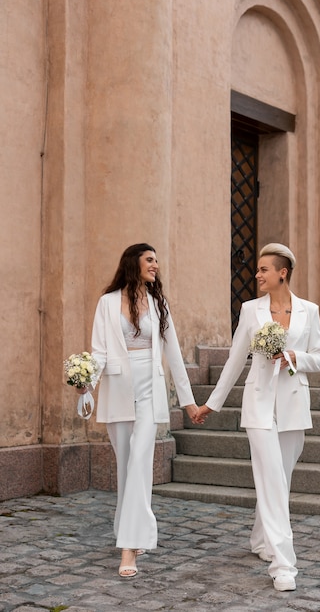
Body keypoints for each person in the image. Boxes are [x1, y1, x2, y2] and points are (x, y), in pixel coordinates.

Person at [196, 243, 320, 592]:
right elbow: (236, 359)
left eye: (264, 269)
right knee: (270, 477)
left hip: (294, 405)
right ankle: (284, 564)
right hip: (259, 404)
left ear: (282, 272)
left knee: (279, 479)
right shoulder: (251, 310)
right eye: (258, 270)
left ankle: (260, 539)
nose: (257, 275)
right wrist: (212, 403)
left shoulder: (309, 311)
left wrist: (295, 357)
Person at [80, 243, 201, 578]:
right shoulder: (107, 303)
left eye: (158, 260)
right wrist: (85, 382)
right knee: (126, 467)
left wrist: (188, 402)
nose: (156, 265)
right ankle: (133, 525)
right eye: (150, 259)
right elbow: (99, 352)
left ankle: (129, 547)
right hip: (118, 392)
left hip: (149, 393)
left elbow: (173, 354)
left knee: (139, 461)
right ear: (133, 263)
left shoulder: (158, 304)